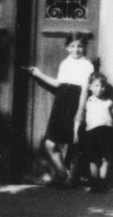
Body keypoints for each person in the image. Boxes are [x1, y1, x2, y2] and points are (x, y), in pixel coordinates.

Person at [25, 32, 95, 187]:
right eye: (73, 46)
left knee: (75, 143)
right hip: (60, 103)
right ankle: (62, 173)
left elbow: (84, 90)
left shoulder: (87, 65)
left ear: (84, 48)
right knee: (50, 143)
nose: (76, 49)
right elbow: (59, 84)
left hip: (75, 103)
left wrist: (80, 112)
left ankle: (72, 179)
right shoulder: (65, 63)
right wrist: (39, 74)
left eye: (80, 46)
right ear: (67, 47)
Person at [75, 72, 113, 193]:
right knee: (93, 159)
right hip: (92, 133)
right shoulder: (88, 102)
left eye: (102, 86)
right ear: (90, 87)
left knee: (106, 159)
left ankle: (103, 182)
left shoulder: (109, 102)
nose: (100, 88)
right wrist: (76, 133)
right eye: (96, 85)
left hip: (107, 132)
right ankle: (95, 183)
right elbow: (80, 119)